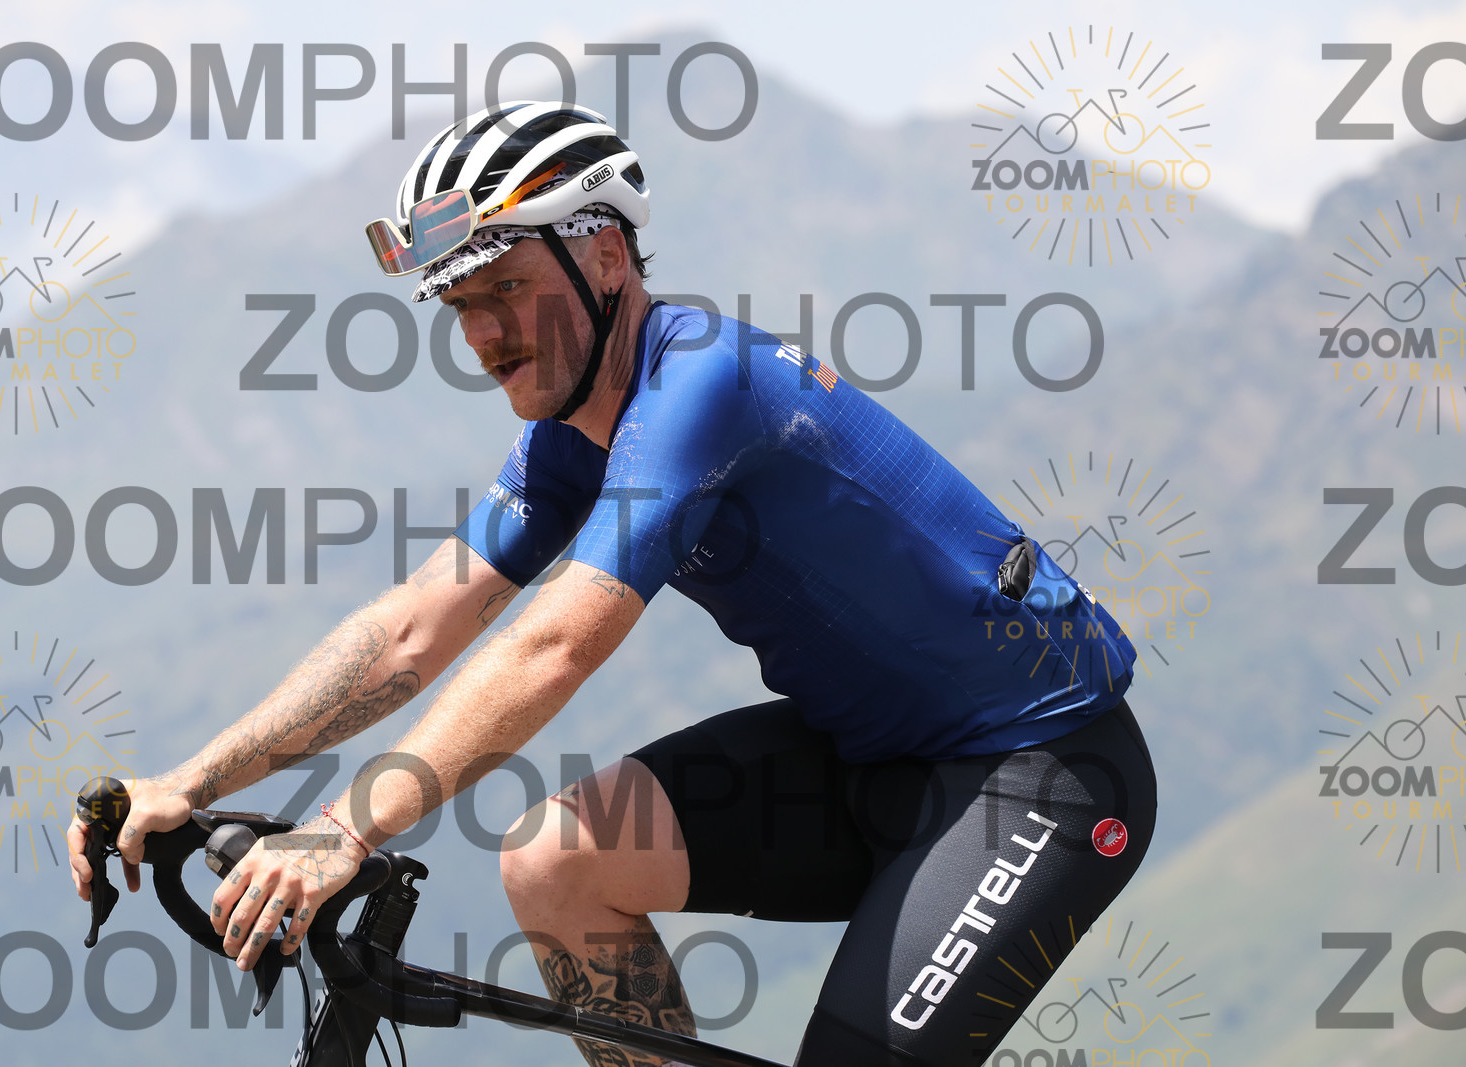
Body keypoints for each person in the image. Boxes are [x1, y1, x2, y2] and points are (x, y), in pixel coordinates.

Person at [69, 100, 1157, 1067]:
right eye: (457, 302)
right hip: (867, 760)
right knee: (557, 860)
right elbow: (409, 631)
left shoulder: (704, 386)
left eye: (505, 288)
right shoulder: (571, 437)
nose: (481, 334)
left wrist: (346, 829)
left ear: (602, 256)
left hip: (1039, 774)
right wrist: (189, 782)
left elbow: (556, 644)